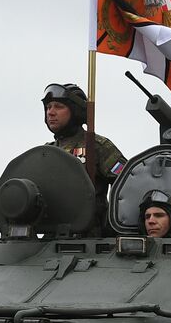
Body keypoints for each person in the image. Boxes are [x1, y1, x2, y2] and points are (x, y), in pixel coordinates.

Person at [42, 83, 126, 231]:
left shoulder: (96, 146)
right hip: (53, 234)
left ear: (76, 111)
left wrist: (112, 221)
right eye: (48, 107)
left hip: (92, 235)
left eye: (58, 107)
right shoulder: (46, 152)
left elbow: (126, 183)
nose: (51, 112)